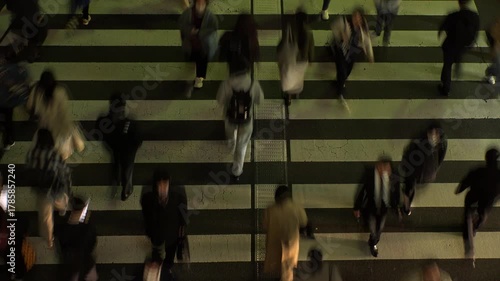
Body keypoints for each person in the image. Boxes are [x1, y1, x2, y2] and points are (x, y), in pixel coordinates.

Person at [26, 129, 72, 249]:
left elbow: (28, 169)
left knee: (46, 217)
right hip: (55, 188)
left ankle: (49, 238)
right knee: (61, 201)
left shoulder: (31, 153)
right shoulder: (55, 155)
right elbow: (65, 172)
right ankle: (62, 210)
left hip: (41, 189)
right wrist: (68, 187)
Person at [216, 67, 264, 180]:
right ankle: (236, 171)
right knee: (242, 145)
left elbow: (220, 100)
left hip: (230, 118)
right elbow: (260, 100)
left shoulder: (226, 83)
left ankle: (231, 143)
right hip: (246, 121)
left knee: (230, 133)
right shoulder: (253, 83)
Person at [27, 70, 85, 160]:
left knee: (46, 147)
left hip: (45, 126)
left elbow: (30, 106)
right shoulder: (60, 92)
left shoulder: (36, 91)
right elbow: (64, 114)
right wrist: (70, 131)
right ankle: (58, 162)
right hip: (59, 127)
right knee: (61, 150)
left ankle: (49, 161)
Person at [95, 93, 142, 201]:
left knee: (126, 165)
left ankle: (125, 185)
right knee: (121, 163)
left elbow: (136, 139)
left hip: (126, 147)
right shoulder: (109, 121)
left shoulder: (128, 123)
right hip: (118, 145)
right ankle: (123, 183)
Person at [455, 148, 500, 256]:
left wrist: (459, 190)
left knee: (468, 217)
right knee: (482, 216)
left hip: (473, 198)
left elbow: (466, 181)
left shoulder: (478, 171)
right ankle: (475, 227)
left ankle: (469, 247)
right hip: (487, 202)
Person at [141, 169, 188, 271]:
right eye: (160, 184)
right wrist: (149, 231)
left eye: (165, 183)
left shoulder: (178, 194)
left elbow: (183, 215)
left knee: (170, 253)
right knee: (156, 248)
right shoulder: (148, 195)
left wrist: (181, 236)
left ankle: (167, 268)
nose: (163, 187)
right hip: (156, 231)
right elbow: (146, 215)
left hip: (172, 232)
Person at [399, 122, 447, 216]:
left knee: (409, 187)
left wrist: (435, 168)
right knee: (409, 188)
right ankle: (406, 206)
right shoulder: (419, 142)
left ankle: (406, 205)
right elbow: (408, 153)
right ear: (428, 133)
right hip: (415, 171)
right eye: (432, 133)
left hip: (426, 174)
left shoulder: (439, 145)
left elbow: (441, 157)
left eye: (436, 134)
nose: (434, 136)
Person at [330, 8, 374, 109]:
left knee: (348, 70)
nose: (357, 20)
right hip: (341, 50)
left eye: (359, 18)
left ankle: (340, 81)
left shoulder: (362, 28)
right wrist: (341, 35)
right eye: (355, 17)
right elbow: (334, 27)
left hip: (352, 52)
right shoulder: (344, 22)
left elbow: (367, 41)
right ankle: (340, 92)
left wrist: (370, 55)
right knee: (342, 71)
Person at [354, 156, 397, 257]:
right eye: (383, 168)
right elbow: (361, 192)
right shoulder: (369, 176)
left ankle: (374, 241)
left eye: (388, 169)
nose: (386, 172)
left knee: (379, 229)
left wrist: (395, 207)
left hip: (383, 209)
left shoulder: (392, 176)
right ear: (378, 166)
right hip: (370, 208)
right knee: (373, 228)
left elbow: (395, 192)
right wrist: (356, 207)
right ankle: (372, 241)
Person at [263, 185, 308, 281]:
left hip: (275, 241)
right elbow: (304, 221)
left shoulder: (270, 209)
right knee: (288, 266)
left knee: (277, 261)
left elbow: (265, 225)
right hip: (291, 241)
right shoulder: (296, 208)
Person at [438, 0, 479, 96]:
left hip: (451, 45)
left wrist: (440, 34)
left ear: (459, 2)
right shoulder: (474, 16)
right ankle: (457, 68)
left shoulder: (453, 16)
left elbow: (443, 27)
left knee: (447, 65)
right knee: (458, 54)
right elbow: (476, 32)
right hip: (464, 46)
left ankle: (446, 88)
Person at [55, 197, 98, 281]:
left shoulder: (63, 228)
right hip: (86, 264)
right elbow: (92, 243)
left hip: (70, 265)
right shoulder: (88, 228)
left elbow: (61, 245)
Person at [179, 0, 218, 89]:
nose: (200, 6)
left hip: (203, 43)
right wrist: (190, 31)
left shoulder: (210, 16)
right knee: (193, 54)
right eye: (198, 3)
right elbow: (182, 25)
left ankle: (199, 77)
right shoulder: (188, 13)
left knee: (202, 58)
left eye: (202, 4)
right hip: (191, 42)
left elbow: (213, 28)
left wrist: (200, 33)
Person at [278, 10, 314, 106]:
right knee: (298, 78)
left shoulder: (291, 29)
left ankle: (289, 96)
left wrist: (279, 52)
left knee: (288, 77)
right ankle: (296, 92)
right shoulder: (308, 32)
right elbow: (311, 46)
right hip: (302, 61)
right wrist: (311, 59)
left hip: (291, 59)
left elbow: (283, 43)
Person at [0, 57, 31, 150]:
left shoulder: (10, 70)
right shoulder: (14, 69)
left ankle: (9, 139)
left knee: (7, 121)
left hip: (5, 102)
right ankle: (9, 139)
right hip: (7, 101)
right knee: (8, 120)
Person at [485, 17, 500, 85]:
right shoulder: (496, 28)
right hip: (493, 35)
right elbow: (495, 35)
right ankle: (489, 73)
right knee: (497, 62)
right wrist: (494, 49)